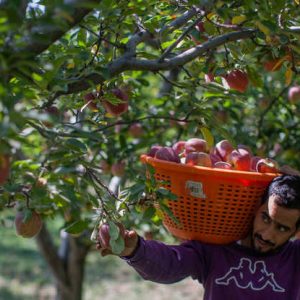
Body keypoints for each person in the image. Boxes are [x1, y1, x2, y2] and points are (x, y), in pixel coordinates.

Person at [97, 174, 300, 299]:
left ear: (296, 231)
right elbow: (171, 264)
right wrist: (135, 250)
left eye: (282, 228)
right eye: (265, 218)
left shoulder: (295, 260)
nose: (267, 234)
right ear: (257, 207)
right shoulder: (218, 248)